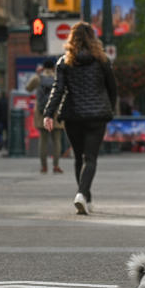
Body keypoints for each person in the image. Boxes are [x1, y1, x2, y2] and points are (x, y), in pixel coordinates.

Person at [43, 21, 118, 216]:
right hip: (97, 116)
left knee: (78, 158)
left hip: (73, 116)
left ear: (71, 39)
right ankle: (83, 195)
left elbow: (57, 90)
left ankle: (85, 197)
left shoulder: (64, 63)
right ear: (93, 39)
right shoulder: (102, 61)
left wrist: (48, 113)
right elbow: (113, 88)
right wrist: (109, 108)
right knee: (90, 158)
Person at [26, 59, 63, 174]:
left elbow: (28, 88)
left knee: (43, 140)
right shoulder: (58, 77)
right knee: (56, 140)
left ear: (43, 67)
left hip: (42, 113)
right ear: (53, 67)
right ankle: (56, 166)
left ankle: (44, 167)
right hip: (56, 113)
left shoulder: (38, 78)